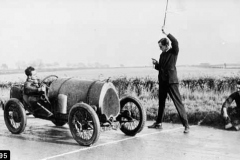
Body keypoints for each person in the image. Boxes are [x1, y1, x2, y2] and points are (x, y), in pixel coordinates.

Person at [148, 27, 190, 133]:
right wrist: (156, 65)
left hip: (172, 82)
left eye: (161, 46)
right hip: (163, 82)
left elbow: (175, 41)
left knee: (178, 103)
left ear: (167, 45)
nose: (159, 48)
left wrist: (167, 33)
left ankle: (186, 126)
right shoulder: (162, 55)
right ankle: (158, 123)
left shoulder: (174, 52)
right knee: (161, 103)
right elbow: (161, 68)